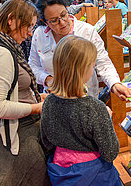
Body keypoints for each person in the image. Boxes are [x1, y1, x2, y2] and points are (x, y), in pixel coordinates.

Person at [0, 0, 48, 185]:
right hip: (12, 140)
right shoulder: (0, 53)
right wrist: (36, 108)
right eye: (28, 26)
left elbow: (9, 90)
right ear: (11, 19)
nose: (29, 33)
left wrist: (38, 97)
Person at [41, 35, 121, 185]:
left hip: (60, 172)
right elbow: (110, 152)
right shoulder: (94, 108)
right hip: (95, 175)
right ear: (82, 69)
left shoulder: (49, 102)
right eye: (92, 65)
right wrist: (107, 118)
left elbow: (47, 141)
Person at [30, 0, 131, 100]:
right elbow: (33, 65)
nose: (63, 22)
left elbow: (102, 61)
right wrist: (47, 79)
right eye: (54, 20)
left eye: (64, 14)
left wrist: (114, 84)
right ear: (45, 22)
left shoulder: (86, 31)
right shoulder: (39, 34)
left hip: (86, 98)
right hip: (53, 98)